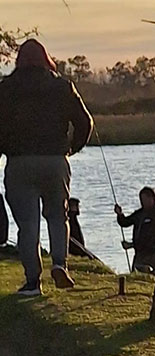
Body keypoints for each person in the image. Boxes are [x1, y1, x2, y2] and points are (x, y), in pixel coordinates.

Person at [0, 38, 93, 296]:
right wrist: (72, 148)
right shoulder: (62, 87)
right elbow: (85, 122)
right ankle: (60, 264)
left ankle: (32, 282)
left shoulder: (5, 89)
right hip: (55, 161)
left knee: (27, 224)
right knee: (57, 215)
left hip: (19, 162)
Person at [116, 186, 155, 274]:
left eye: (146, 200)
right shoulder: (139, 214)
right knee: (136, 275)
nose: (143, 202)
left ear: (153, 199)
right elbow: (125, 222)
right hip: (140, 253)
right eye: (142, 200)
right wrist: (120, 214)